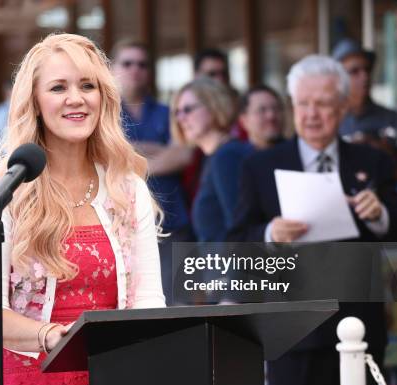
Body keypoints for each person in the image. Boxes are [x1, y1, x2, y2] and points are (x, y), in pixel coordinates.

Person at [0, 33, 165, 385]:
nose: (76, 98)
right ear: (34, 102)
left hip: (113, 384)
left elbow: (149, 302)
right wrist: (50, 335)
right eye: (58, 87)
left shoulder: (127, 187)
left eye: (88, 85)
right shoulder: (4, 189)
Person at [227, 55, 397, 385]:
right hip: (292, 331)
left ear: (343, 107)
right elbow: (237, 242)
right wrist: (270, 233)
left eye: (323, 104)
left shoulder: (372, 161)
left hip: (358, 326)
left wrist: (380, 216)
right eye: (303, 103)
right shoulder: (260, 165)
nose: (311, 114)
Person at [111, 38, 192, 305]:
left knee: (175, 303)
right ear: (113, 69)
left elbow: (183, 153)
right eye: (128, 63)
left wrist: (131, 158)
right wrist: (158, 149)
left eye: (142, 64)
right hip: (121, 224)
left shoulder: (168, 112)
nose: (135, 69)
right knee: (132, 304)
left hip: (170, 220)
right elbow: (107, 156)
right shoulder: (105, 113)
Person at [171, 77, 253, 242]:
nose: (181, 119)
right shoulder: (213, 156)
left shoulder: (227, 156)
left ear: (213, 106)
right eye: (177, 112)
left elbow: (239, 232)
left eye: (188, 109)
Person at [332, 38, 397, 179]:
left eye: (367, 69)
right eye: (354, 71)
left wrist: (386, 154)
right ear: (338, 79)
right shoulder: (329, 122)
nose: (364, 76)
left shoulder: (394, 119)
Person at [238, 84, 286, 149]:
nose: (271, 116)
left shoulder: (298, 153)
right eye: (262, 110)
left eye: (276, 108)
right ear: (244, 120)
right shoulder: (233, 157)